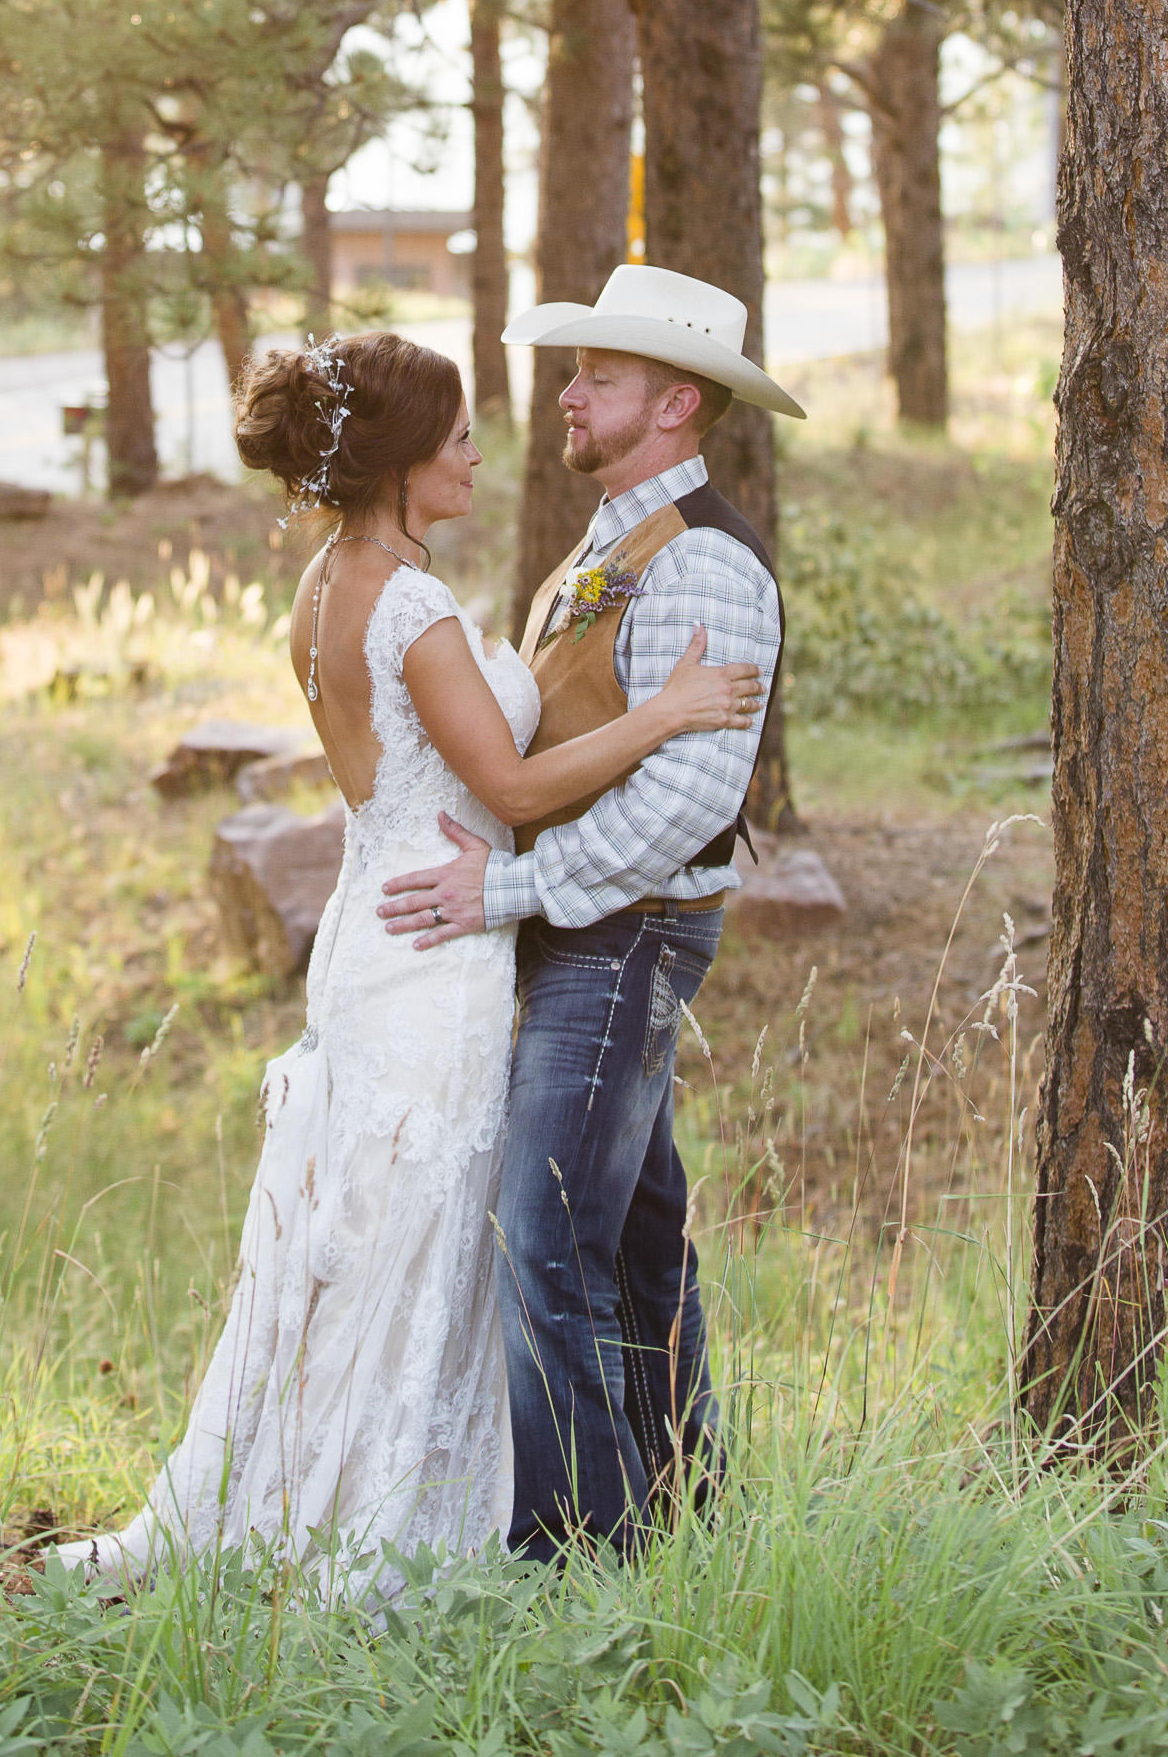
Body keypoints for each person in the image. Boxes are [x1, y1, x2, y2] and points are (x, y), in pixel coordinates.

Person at [52, 324, 765, 1595]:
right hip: (444, 929)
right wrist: (660, 714)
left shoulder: (324, 583)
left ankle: (392, 1483)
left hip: (384, 914)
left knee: (396, 1220)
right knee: (453, 1223)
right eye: (454, 436)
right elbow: (505, 776)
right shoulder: (418, 599)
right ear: (396, 461)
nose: (480, 447)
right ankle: (432, 1513)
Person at [379, 265, 802, 1563]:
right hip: (585, 927)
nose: (567, 396)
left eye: (598, 378)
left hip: (625, 936)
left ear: (676, 404)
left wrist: (501, 889)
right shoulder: (607, 542)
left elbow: (684, 804)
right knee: (630, 1238)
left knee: (539, 1227)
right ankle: (684, 1510)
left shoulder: (709, 566)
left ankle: (576, 1552)